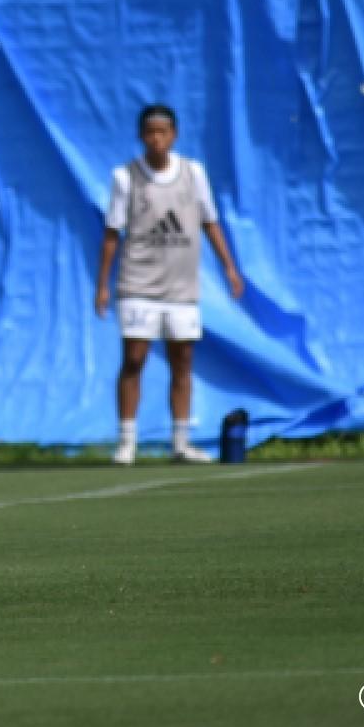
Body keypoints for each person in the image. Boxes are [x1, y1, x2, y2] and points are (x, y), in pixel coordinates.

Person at [95, 104, 243, 465]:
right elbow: (112, 234)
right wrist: (102, 284)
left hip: (181, 288)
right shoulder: (126, 177)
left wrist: (229, 267)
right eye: (150, 132)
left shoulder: (194, 173)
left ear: (174, 135)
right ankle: (127, 442)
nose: (156, 139)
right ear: (141, 136)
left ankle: (180, 442)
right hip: (138, 284)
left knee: (183, 360)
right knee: (134, 359)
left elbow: (209, 221)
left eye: (163, 132)